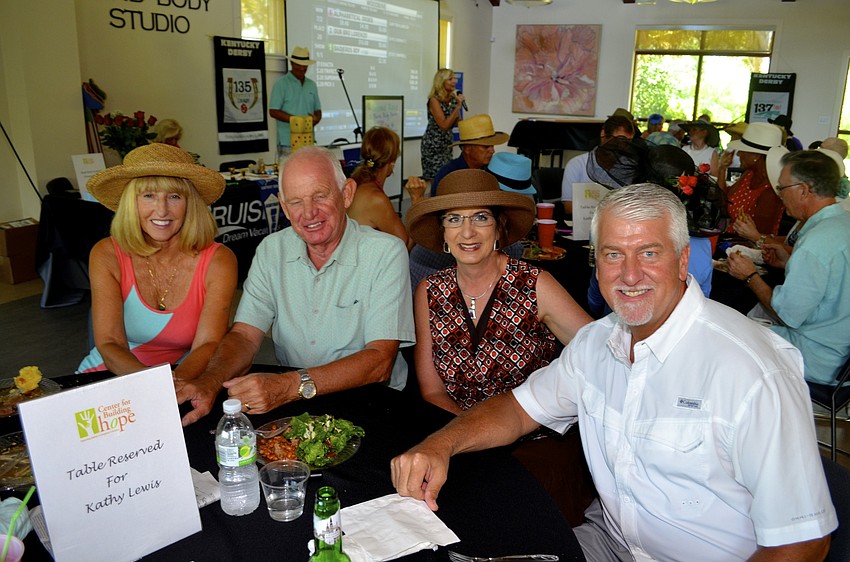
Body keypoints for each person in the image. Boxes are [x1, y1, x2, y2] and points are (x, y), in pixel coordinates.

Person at [392, 182, 836, 561]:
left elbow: (804, 543)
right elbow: (517, 408)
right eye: (612, 254)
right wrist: (441, 444)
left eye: (649, 252)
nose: (630, 274)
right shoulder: (595, 343)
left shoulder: (753, 371)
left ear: (683, 260)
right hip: (611, 542)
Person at [176, 146, 414, 426]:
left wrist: (289, 385)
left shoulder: (386, 252)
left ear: (347, 194)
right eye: (296, 202)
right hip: (295, 402)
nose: (309, 213)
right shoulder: (271, 250)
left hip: (371, 401)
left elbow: (379, 361)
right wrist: (210, 381)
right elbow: (244, 335)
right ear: (284, 207)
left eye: (320, 196)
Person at [405, 169, 591, 413]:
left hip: (527, 430)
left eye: (481, 217)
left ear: (499, 227)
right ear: (443, 232)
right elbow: (432, 391)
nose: (467, 232)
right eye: (454, 219)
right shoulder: (430, 291)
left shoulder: (534, 284)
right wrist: (468, 431)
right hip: (453, 425)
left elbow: (599, 355)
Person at [78, 144, 237, 381]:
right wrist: (155, 387)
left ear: (190, 204)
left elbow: (208, 343)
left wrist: (172, 388)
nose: (161, 211)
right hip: (109, 374)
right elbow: (110, 343)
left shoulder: (219, 260)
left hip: (183, 377)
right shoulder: (106, 254)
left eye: (174, 197)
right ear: (131, 202)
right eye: (149, 196)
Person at [728, 149, 850, 386]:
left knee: (728, 329)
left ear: (803, 190)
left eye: (782, 188)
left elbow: (785, 314)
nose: (780, 195)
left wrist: (749, 276)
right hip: (841, 349)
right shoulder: (843, 223)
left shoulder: (815, 243)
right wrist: (788, 262)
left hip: (818, 357)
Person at [346, 126, 420, 248]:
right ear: (392, 162)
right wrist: (417, 202)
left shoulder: (358, 181)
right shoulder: (375, 199)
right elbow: (403, 248)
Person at [720, 122, 786, 237]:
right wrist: (722, 169)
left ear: (756, 156)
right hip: (732, 240)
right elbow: (723, 200)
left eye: (743, 150)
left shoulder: (770, 190)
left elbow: (760, 234)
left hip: (747, 246)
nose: (738, 154)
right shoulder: (749, 174)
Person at [560, 114, 634, 214]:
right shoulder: (577, 164)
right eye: (619, 140)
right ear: (603, 134)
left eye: (628, 141)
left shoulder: (629, 167)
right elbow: (568, 207)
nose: (622, 146)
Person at [430, 114, 508, 196]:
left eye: (492, 146)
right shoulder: (448, 174)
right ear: (467, 148)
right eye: (486, 147)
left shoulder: (492, 171)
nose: (492, 151)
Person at [269, 46, 322, 162]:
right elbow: (273, 111)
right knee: (287, 172)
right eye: (299, 65)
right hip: (287, 142)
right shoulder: (281, 84)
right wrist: (296, 121)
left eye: (305, 66)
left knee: (308, 171)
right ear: (292, 63)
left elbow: (318, 110)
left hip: (308, 141)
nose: (302, 68)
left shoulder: (311, 85)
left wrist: (316, 119)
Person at [420, 68, 464, 182]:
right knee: (436, 179)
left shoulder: (453, 99)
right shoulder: (434, 100)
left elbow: (458, 122)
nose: (454, 81)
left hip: (447, 145)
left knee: (446, 178)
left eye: (454, 78)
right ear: (441, 81)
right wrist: (458, 107)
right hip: (433, 145)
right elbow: (444, 126)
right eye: (450, 79)